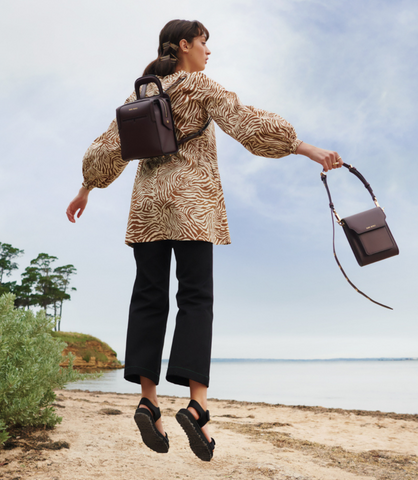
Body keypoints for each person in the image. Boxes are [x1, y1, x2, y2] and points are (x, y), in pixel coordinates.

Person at [66, 19, 342, 462]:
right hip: (192, 207)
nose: (208, 51)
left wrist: (86, 188)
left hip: (147, 210)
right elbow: (246, 122)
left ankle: (148, 400)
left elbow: (106, 147)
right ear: (184, 46)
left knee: (148, 298)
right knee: (195, 298)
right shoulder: (198, 85)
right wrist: (303, 147)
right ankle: (197, 406)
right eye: (204, 43)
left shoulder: (141, 92)